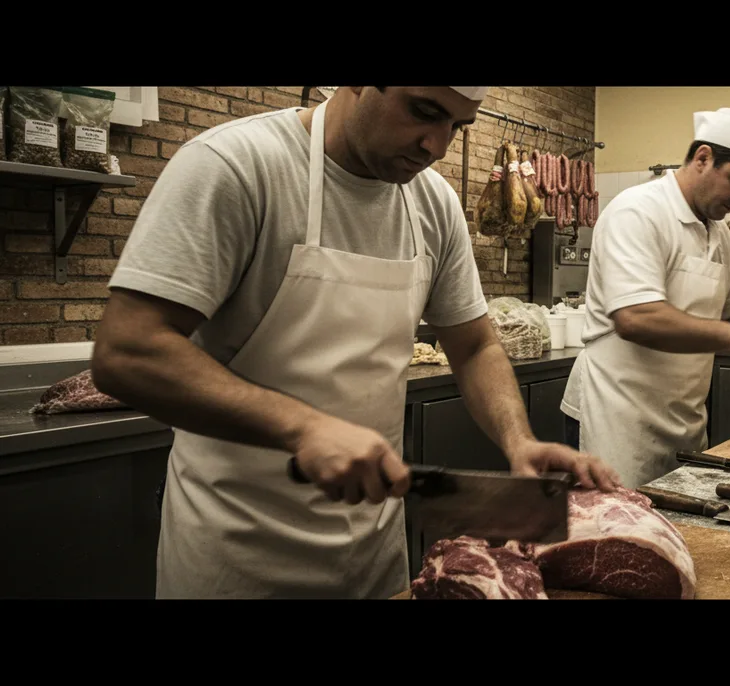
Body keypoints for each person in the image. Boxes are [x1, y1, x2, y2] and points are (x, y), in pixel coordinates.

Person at [91, 86, 620, 599]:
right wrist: (304, 427)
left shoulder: (433, 202)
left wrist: (518, 442)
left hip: (374, 552)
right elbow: (128, 350)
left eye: (456, 127)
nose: (435, 146)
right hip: (239, 549)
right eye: (423, 111)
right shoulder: (235, 165)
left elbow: (475, 345)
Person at [560, 107, 730, 488]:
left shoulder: (718, 233)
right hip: (615, 417)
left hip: (682, 420)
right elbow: (636, 317)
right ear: (703, 158)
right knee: (615, 536)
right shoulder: (638, 212)